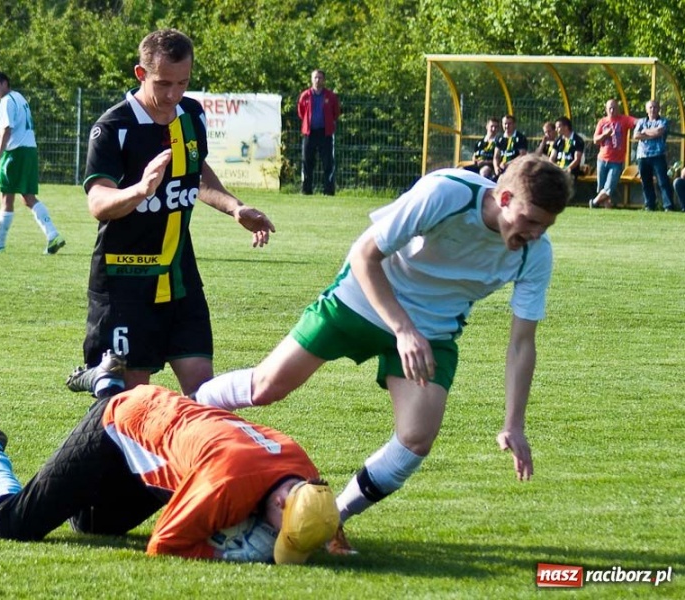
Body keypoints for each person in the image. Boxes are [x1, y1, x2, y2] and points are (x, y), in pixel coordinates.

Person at [191, 154, 573, 553]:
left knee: (416, 439)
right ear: (505, 196)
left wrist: (513, 423)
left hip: (432, 332)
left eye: (545, 225)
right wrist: (402, 328)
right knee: (267, 386)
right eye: (529, 220)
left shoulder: (535, 254)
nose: (534, 233)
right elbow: (364, 255)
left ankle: (330, 518)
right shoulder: (447, 193)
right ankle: (185, 410)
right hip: (362, 299)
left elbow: (521, 343)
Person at [0, 352, 339, 564]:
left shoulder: (304, 471)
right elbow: (165, 544)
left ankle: (107, 379)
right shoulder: (226, 484)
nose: (274, 538)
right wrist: (233, 553)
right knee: (9, 524)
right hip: (122, 423)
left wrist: (329, 538)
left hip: (164, 435)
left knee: (92, 524)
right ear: (283, 501)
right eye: (278, 531)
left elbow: (320, 513)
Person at [68, 29, 274, 396]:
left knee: (203, 394)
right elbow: (97, 203)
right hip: (125, 281)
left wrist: (234, 207)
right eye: (164, 83)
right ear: (140, 73)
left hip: (180, 278)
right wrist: (141, 190)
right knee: (129, 404)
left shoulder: (191, 116)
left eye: (183, 83)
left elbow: (195, 173)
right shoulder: (114, 128)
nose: (174, 94)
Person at [0, 70, 65, 254]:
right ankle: (53, 235)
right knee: (28, 197)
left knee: (6, 198)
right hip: (29, 151)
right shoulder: (19, 98)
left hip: (15, 154)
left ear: (5, 83)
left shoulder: (5, 102)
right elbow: (11, 128)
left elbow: (7, 132)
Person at [297, 69, 341, 196]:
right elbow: (301, 112)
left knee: (328, 162)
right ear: (311, 79)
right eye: (315, 77)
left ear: (324, 80)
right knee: (307, 162)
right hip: (309, 133)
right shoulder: (305, 95)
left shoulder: (331, 96)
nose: (318, 80)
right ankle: (306, 190)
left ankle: (328, 191)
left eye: (320, 78)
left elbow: (336, 113)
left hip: (325, 133)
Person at [590, 99, 638, 209]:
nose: (612, 110)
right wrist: (605, 135)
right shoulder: (602, 122)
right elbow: (596, 140)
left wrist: (648, 121)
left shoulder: (624, 119)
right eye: (610, 108)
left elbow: (636, 122)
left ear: (618, 108)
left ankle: (594, 202)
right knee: (601, 188)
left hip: (617, 161)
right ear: (606, 109)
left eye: (614, 108)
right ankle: (607, 209)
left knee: (609, 187)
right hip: (602, 159)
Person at [632, 100, 676, 212]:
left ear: (658, 109)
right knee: (646, 182)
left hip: (658, 155)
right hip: (643, 156)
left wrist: (645, 132)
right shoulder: (641, 121)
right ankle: (649, 205)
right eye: (650, 107)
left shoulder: (663, 121)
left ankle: (668, 206)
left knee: (663, 181)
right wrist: (651, 134)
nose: (653, 109)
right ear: (647, 110)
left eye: (655, 107)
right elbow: (636, 135)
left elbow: (660, 132)